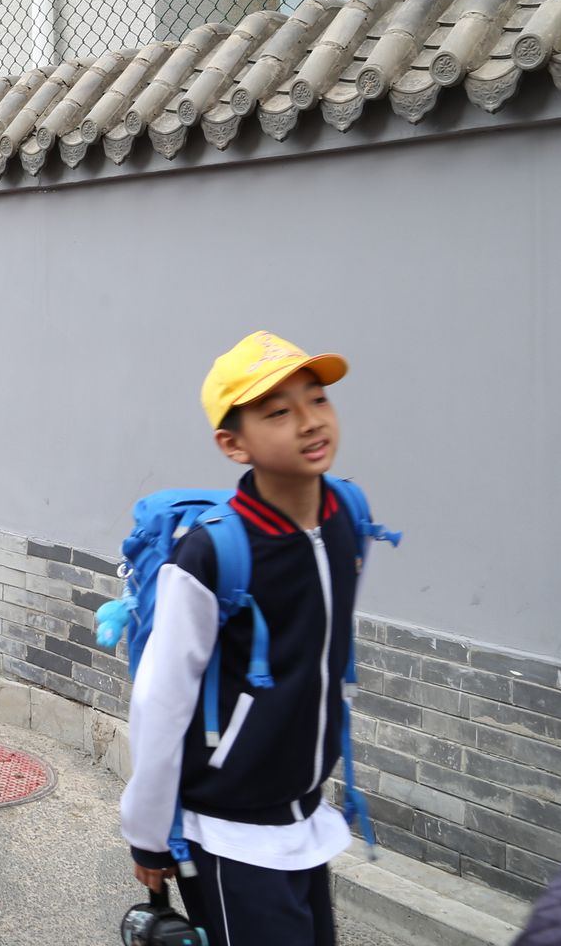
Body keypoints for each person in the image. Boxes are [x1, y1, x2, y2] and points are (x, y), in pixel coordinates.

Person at [120, 332, 366, 946]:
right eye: (278, 412)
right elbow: (160, 700)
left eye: (318, 399)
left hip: (305, 814)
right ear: (234, 444)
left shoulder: (346, 514)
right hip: (228, 831)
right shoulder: (211, 554)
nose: (310, 421)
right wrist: (149, 836)